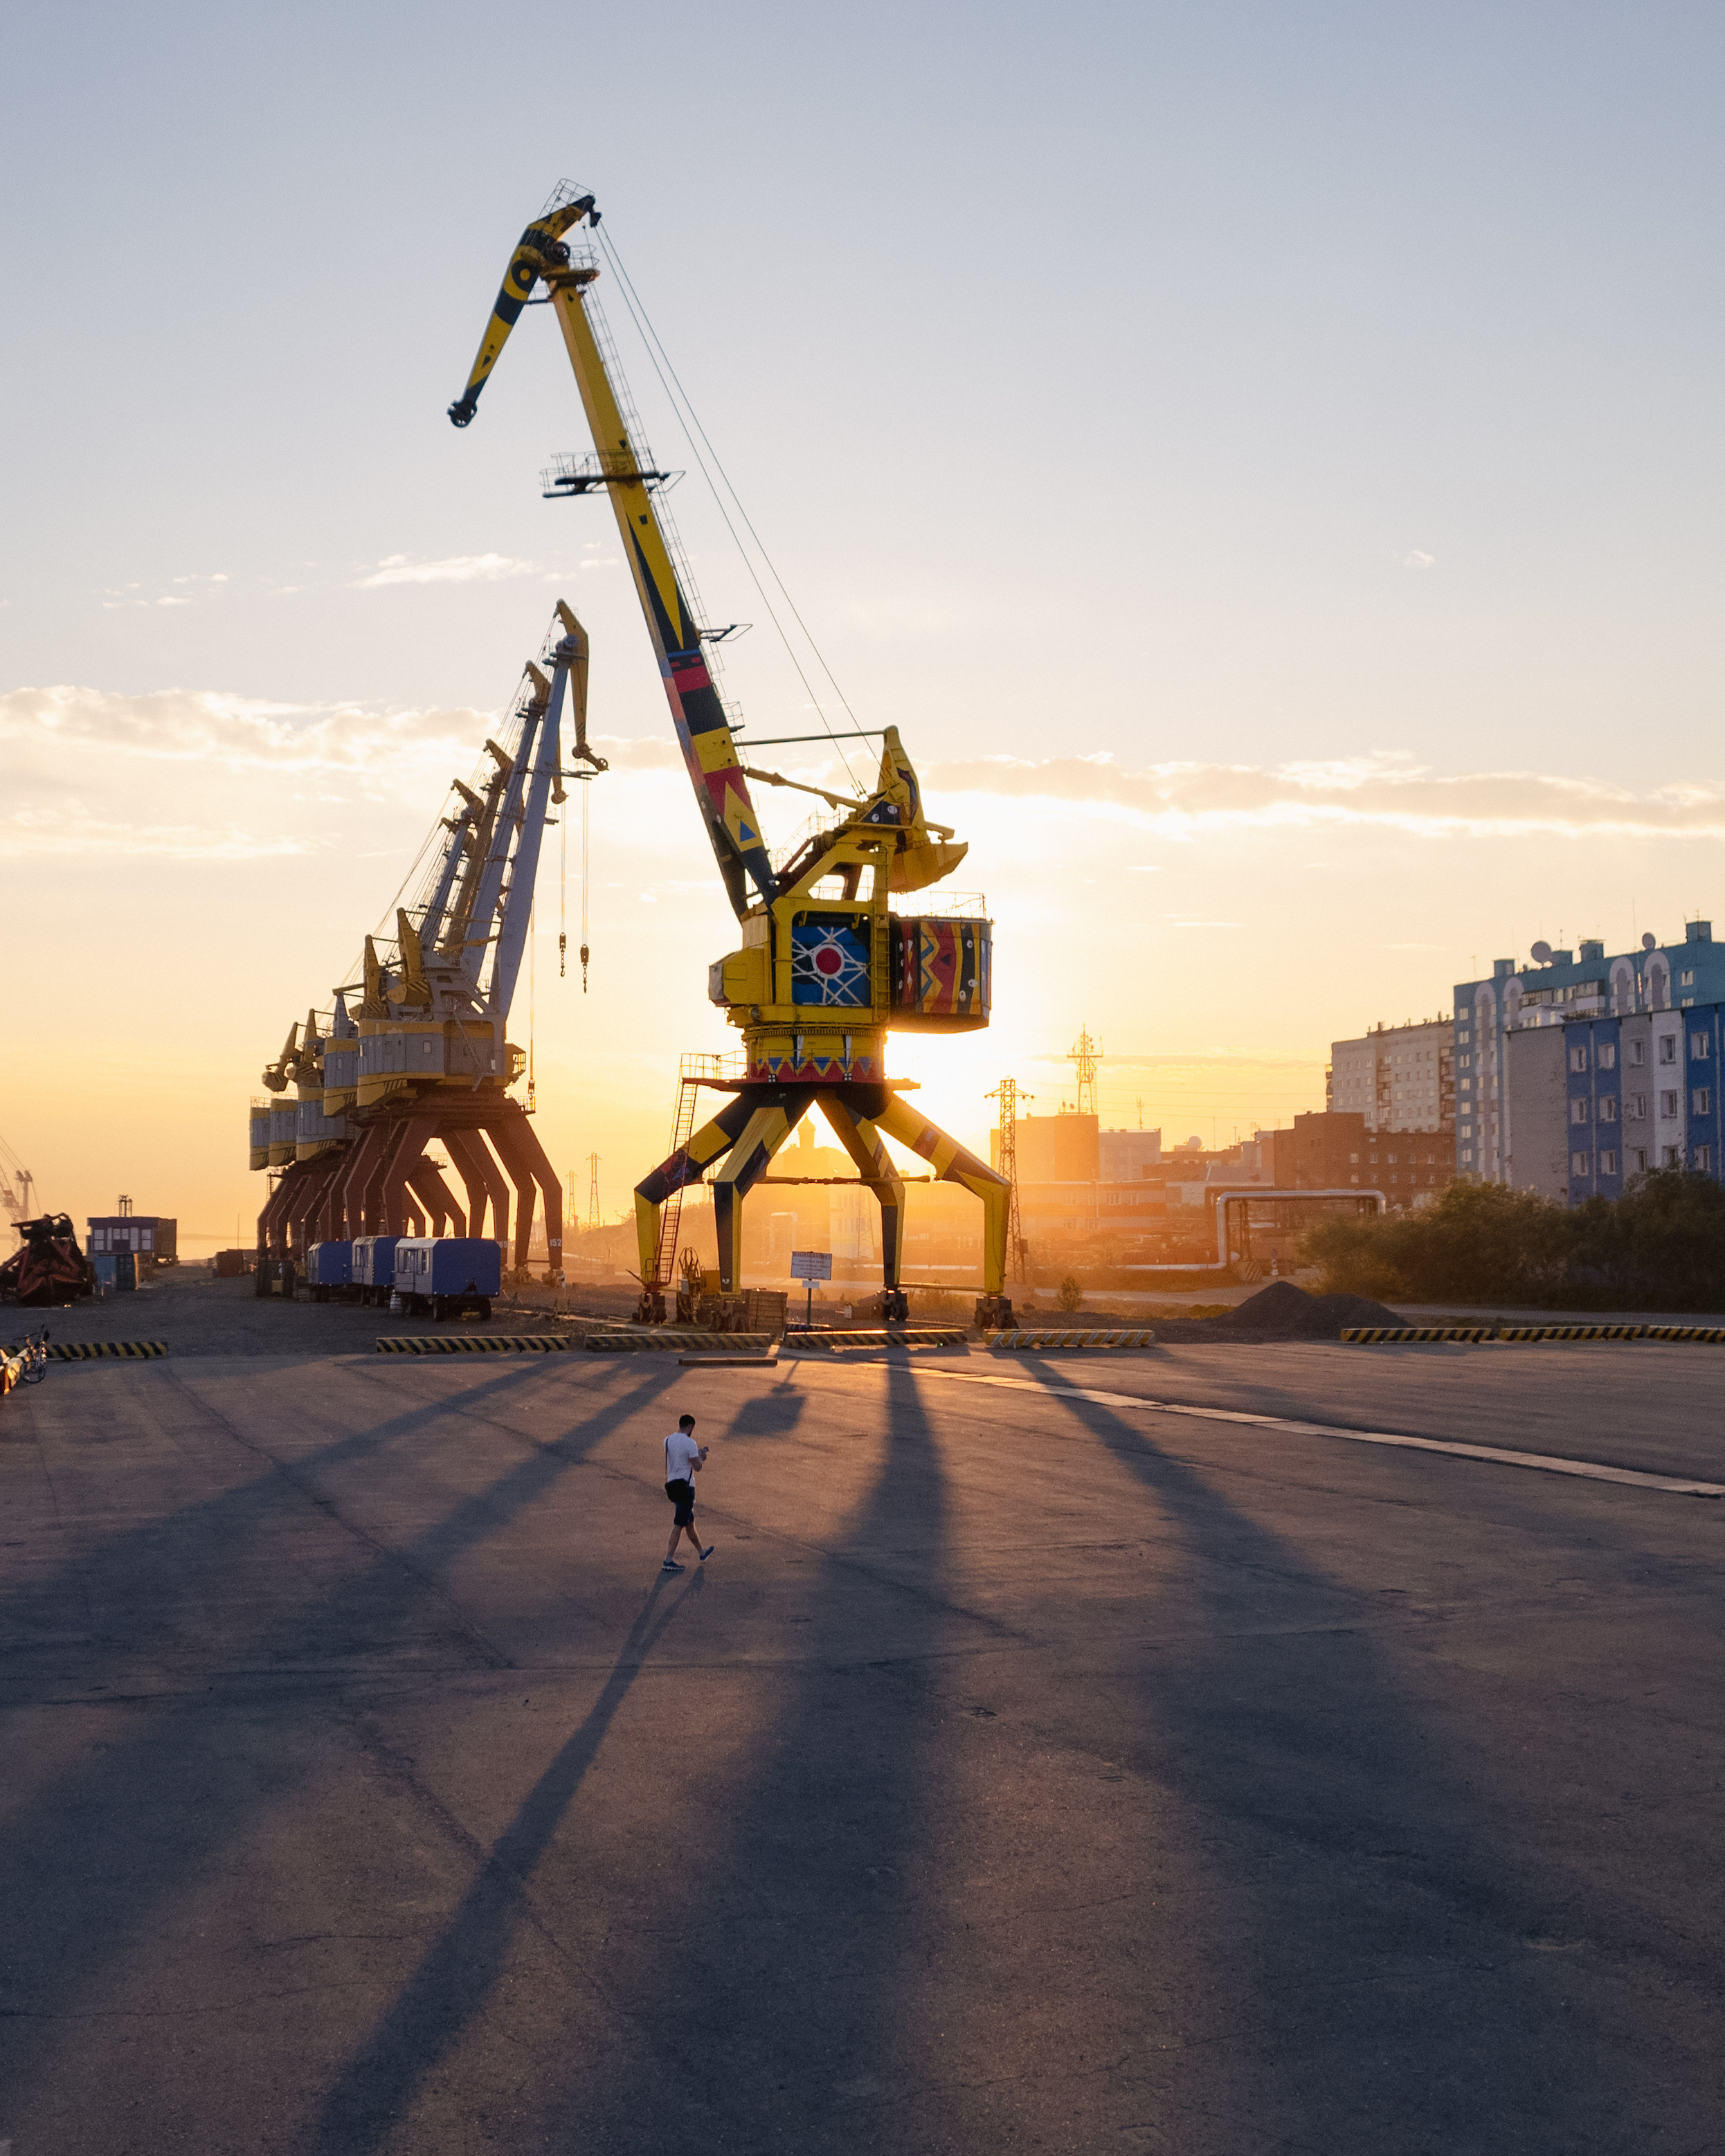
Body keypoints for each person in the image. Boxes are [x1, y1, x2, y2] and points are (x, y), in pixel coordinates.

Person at [662, 1413, 714, 1573]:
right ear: (691, 1426)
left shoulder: (667, 1440)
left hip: (673, 1486)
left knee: (689, 1523)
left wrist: (695, 1455)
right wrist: (702, 1457)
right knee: (679, 1524)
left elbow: (679, 1459)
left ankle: (702, 1552)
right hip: (686, 1488)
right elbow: (697, 1467)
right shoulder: (690, 1442)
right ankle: (668, 1560)